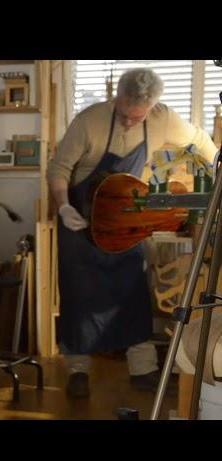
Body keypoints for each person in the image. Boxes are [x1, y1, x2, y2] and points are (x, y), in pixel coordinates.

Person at [47, 68, 218, 398]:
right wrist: (63, 206)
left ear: (151, 107)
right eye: (123, 114)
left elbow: (198, 140)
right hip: (80, 222)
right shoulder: (89, 121)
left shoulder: (163, 118)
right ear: (117, 99)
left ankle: (144, 369)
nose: (127, 122)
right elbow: (59, 168)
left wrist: (217, 166)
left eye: (135, 118)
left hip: (126, 221)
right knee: (79, 295)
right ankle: (78, 371)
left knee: (133, 292)